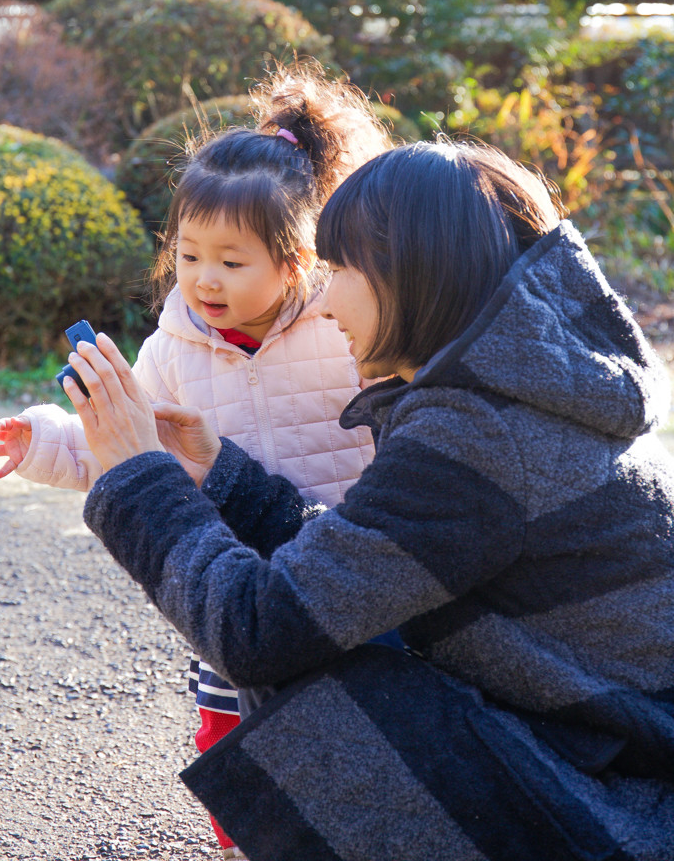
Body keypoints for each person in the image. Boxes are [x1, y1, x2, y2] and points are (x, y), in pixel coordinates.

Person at [49, 140, 674, 860]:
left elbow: (258, 629)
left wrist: (138, 476)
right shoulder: (502, 397)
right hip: (610, 763)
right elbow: (358, 568)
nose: (325, 295)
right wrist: (223, 478)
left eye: (341, 269)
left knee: (304, 673)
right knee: (326, 634)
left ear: (415, 276)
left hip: (624, 807)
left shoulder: (476, 435)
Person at [0, 63, 392, 861]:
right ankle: (245, 838)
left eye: (232, 261)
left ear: (298, 256)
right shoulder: (171, 347)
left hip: (343, 572)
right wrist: (45, 441)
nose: (204, 277)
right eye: (190, 253)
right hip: (232, 577)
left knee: (357, 722)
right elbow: (126, 444)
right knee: (232, 728)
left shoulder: (344, 326)